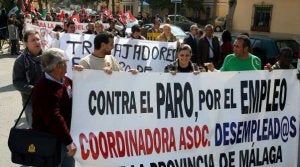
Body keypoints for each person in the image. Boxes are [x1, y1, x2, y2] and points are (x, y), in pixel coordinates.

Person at [32, 48, 77, 167]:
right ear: (58, 66)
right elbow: (54, 118)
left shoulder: (65, 80)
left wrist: (84, 74)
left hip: (65, 137)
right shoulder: (43, 89)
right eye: (66, 62)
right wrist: (69, 142)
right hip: (50, 141)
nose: (68, 65)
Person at [13, 30, 43, 127]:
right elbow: (17, 82)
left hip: (49, 100)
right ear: (26, 43)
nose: (36, 42)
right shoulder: (20, 61)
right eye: (33, 40)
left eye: (38, 39)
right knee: (35, 132)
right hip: (31, 103)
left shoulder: (49, 56)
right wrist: (34, 90)